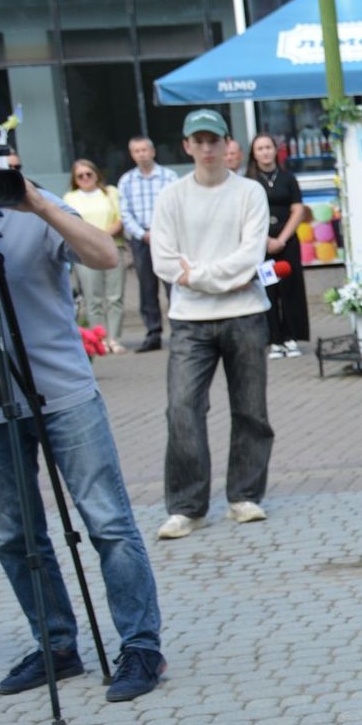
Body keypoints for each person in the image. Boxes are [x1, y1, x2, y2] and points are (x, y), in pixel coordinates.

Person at [0, 109, 166, 702]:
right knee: (13, 533)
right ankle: (56, 644)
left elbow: (106, 257)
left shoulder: (30, 205)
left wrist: (38, 204)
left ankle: (140, 646)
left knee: (107, 522)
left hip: (64, 395)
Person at [151, 108, 274, 540]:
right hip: (189, 320)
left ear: (226, 145)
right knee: (182, 408)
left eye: (213, 140)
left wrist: (196, 275)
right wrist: (222, 278)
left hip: (245, 313)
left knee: (250, 408)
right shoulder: (171, 197)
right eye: (198, 141)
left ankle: (245, 495)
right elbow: (164, 261)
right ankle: (187, 506)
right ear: (186, 146)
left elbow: (250, 257)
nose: (207, 148)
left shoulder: (249, 192)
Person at [247, 133, 311, 358]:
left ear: (275, 150)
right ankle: (274, 339)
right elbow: (247, 216)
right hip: (262, 244)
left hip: (287, 243)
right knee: (269, 290)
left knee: (290, 289)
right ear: (254, 154)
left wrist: (282, 239)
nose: (265, 152)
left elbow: (298, 210)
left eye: (268, 147)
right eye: (260, 148)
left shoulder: (288, 178)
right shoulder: (249, 182)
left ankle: (291, 337)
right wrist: (266, 240)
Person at [118, 135, 175, 353]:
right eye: (137, 151)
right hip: (141, 240)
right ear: (132, 155)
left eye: (145, 150)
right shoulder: (127, 181)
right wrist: (142, 234)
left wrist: (160, 232)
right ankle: (153, 333)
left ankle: (179, 330)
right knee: (147, 288)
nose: (142, 154)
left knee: (173, 284)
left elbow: (176, 207)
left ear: (153, 151)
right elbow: (125, 213)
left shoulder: (169, 177)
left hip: (167, 238)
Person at [63, 158, 126, 352]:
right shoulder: (70, 197)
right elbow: (70, 224)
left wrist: (101, 238)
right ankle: (100, 339)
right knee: (93, 298)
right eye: (80, 176)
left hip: (113, 247)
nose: (85, 178)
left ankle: (114, 338)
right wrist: (93, 241)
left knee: (115, 296)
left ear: (96, 174)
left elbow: (120, 219)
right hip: (85, 251)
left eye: (88, 174)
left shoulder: (110, 192)